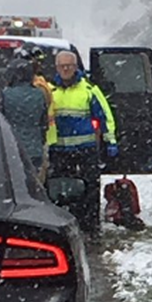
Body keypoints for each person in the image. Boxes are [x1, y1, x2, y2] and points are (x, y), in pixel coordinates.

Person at [45, 50, 117, 232]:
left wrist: (111, 141)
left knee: (90, 189)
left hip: (85, 149)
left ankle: (90, 227)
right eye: (62, 66)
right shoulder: (49, 91)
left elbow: (105, 116)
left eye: (69, 65)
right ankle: (61, 226)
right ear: (57, 68)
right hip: (59, 150)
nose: (66, 69)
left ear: (76, 67)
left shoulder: (89, 90)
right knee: (59, 190)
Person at [0, 59, 50, 179]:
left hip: (12, 149)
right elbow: (44, 124)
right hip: (35, 149)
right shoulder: (39, 94)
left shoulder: (5, 95)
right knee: (34, 182)